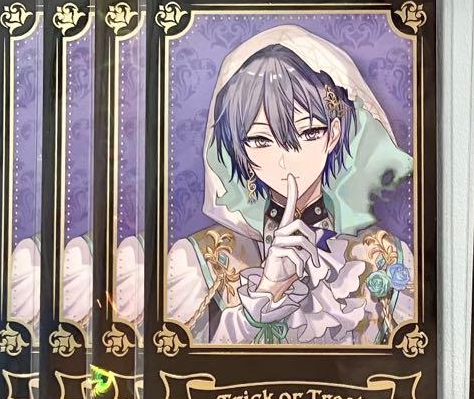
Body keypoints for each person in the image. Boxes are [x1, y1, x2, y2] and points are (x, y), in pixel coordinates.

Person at [166, 25, 415, 346]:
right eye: (260, 140)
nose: (286, 159)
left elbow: (411, 367)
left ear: (333, 134)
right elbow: (180, 368)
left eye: (308, 133)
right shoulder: (202, 259)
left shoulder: (385, 255)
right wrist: (265, 294)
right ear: (239, 149)